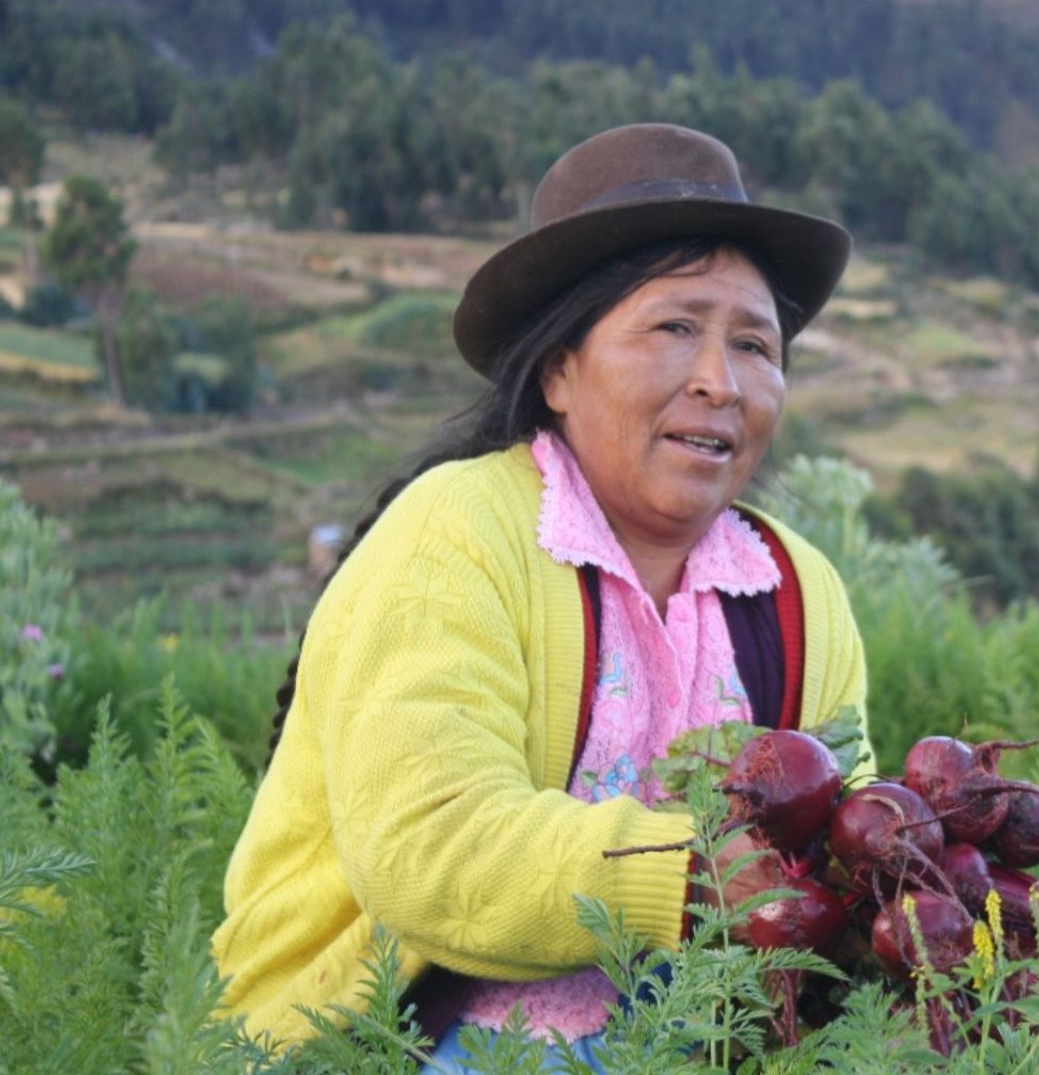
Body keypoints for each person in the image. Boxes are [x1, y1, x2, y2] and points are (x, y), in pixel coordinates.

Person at [210, 124, 875, 1065]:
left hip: (684, 1038)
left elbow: (838, 828)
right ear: (559, 368)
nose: (719, 382)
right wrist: (697, 878)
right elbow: (432, 850)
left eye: (754, 344)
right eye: (675, 328)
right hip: (395, 1032)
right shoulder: (458, 532)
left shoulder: (797, 590)